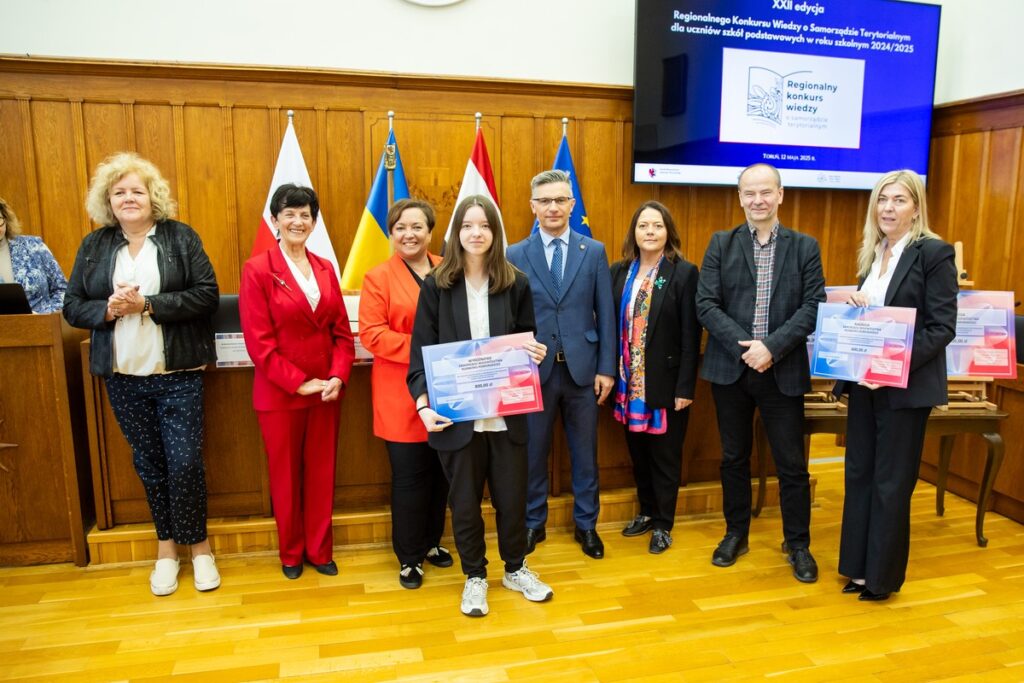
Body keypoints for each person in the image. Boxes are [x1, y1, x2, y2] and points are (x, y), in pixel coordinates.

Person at [63, 152, 220, 596]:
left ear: (153, 197)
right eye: (119, 192)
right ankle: (166, 549)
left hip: (178, 373)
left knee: (185, 462)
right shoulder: (94, 246)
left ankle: (200, 548)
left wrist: (148, 305)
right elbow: (72, 305)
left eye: (136, 191)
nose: (128, 198)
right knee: (150, 466)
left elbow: (206, 295)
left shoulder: (180, 238)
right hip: (123, 377)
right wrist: (108, 309)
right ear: (107, 201)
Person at [408, 194, 553, 617]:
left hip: (507, 417)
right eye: (468, 225)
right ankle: (474, 576)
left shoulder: (516, 282)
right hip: (457, 419)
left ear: (495, 232)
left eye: (484, 226)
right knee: (466, 503)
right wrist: (422, 406)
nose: (476, 233)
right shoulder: (437, 284)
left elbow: (526, 339)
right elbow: (420, 354)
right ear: (457, 232)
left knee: (512, 500)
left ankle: (514, 568)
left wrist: (535, 353)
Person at [696, 163, 826, 583]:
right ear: (740, 198)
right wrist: (747, 349)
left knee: (791, 464)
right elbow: (706, 304)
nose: (758, 200)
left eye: (766, 192)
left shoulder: (805, 247)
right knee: (734, 458)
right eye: (750, 193)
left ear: (781, 194)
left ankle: (798, 544)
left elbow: (813, 306)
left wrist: (771, 347)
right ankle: (736, 533)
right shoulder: (721, 243)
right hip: (731, 370)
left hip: (782, 369)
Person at [835, 170, 958, 601]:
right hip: (864, 384)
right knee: (860, 475)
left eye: (900, 200)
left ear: (917, 208)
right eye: (883, 199)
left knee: (891, 482)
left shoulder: (934, 253)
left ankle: (882, 579)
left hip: (904, 388)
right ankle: (858, 569)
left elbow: (942, 328)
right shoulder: (873, 253)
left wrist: (892, 364)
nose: (888, 208)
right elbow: (872, 320)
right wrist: (854, 308)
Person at [239, 183, 355, 580]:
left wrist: (338, 374)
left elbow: (342, 333)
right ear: (274, 220)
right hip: (281, 394)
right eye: (289, 213)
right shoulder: (257, 269)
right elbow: (259, 343)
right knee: (286, 479)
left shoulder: (325, 267)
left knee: (322, 474)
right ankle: (291, 553)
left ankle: (320, 550)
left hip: (326, 392)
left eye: (305, 214)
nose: (297, 221)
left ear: (314, 221)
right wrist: (298, 381)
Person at [506, 170, 617, 560]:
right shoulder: (515, 254)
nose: (553, 207)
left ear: (572, 205)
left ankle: (587, 525)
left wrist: (607, 369)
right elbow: (507, 316)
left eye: (560, 200)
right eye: (545, 201)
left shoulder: (595, 251)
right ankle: (534, 522)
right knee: (532, 453)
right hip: (532, 371)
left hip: (584, 372)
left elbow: (606, 312)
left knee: (585, 454)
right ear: (533, 207)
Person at [359, 198, 453, 589]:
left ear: (430, 232)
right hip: (400, 394)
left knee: (443, 474)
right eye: (400, 227)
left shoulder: (450, 269)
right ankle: (409, 557)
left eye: (417, 227)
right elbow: (372, 335)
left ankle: (432, 542)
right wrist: (425, 347)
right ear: (391, 233)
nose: (409, 234)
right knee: (410, 476)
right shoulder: (377, 277)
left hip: (449, 387)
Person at [610, 201, 701, 554]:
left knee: (665, 456)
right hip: (628, 383)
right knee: (639, 452)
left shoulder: (682, 272)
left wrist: (685, 387)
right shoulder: (620, 272)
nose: (650, 232)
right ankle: (647, 511)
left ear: (668, 232)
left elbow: (691, 336)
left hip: (665, 383)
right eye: (643, 225)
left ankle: (664, 523)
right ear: (634, 232)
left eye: (657, 226)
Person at [0, 197, 67, 312]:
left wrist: (45, 316)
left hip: (42, 325)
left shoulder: (33, 246)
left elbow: (62, 289)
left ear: (5, 219)